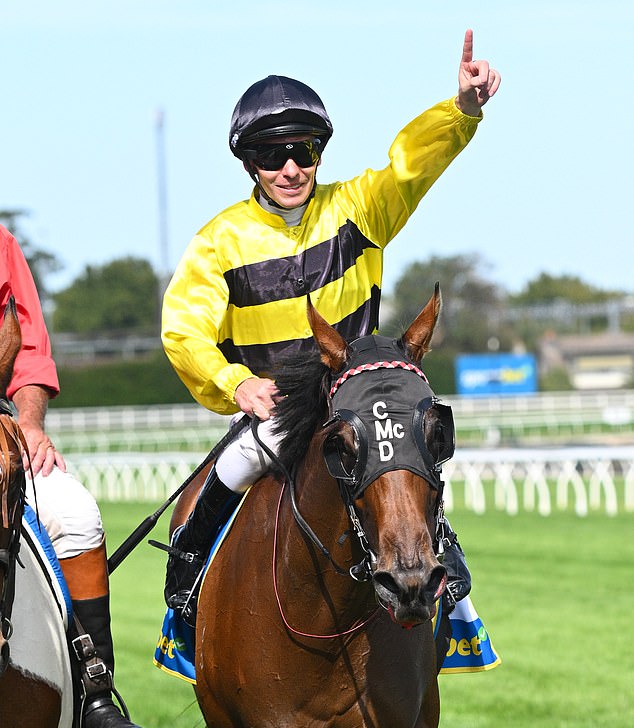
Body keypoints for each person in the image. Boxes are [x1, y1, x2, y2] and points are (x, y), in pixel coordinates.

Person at [161, 29, 501, 621]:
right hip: (281, 410)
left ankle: (453, 592)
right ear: (249, 162)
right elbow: (184, 329)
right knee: (240, 461)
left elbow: (407, 169)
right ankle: (186, 582)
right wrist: (235, 383)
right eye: (273, 156)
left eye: (304, 151)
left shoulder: (360, 207)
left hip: (358, 398)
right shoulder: (217, 242)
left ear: (320, 152)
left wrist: (461, 112)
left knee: (411, 459)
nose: (290, 168)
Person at [0, 222, 155, 728]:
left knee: (77, 511)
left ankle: (94, 699)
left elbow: (30, 354)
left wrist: (30, 424)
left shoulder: (2, 245)